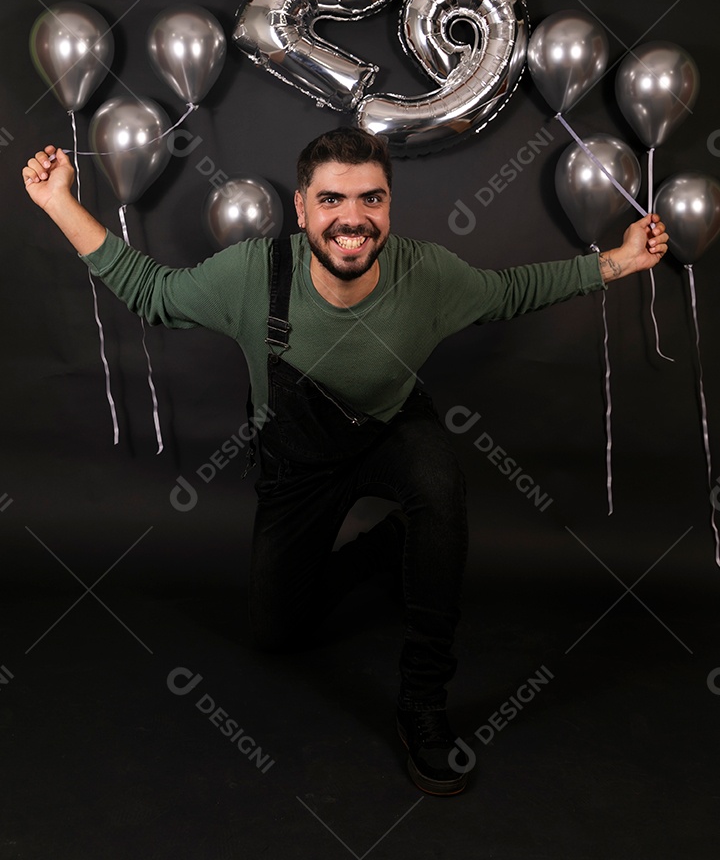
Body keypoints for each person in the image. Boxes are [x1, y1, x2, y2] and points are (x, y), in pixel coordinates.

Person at [22, 126, 668, 796]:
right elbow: (151, 292)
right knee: (276, 633)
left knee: (439, 481)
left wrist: (617, 262)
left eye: (371, 199)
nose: (352, 219)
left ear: (389, 208)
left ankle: (422, 703)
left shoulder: (430, 276)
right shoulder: (252, 275)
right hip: (298, 462)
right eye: (332, 200)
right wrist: (57, 202)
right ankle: (386, 549)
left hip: (392, 432)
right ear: (301, 211)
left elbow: (512, 290)